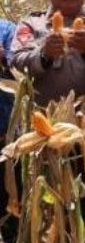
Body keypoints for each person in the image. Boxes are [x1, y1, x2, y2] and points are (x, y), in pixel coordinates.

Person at [11, 0, 85, 235]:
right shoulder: (30, 24)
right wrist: (43, 54)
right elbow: (17, 61)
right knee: (58, 208)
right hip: (49, 137)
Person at [0, 17, 17, 243]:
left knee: (9, 205)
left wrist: (4, 59)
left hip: (5, 138)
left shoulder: (7, 30)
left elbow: (25, 72)